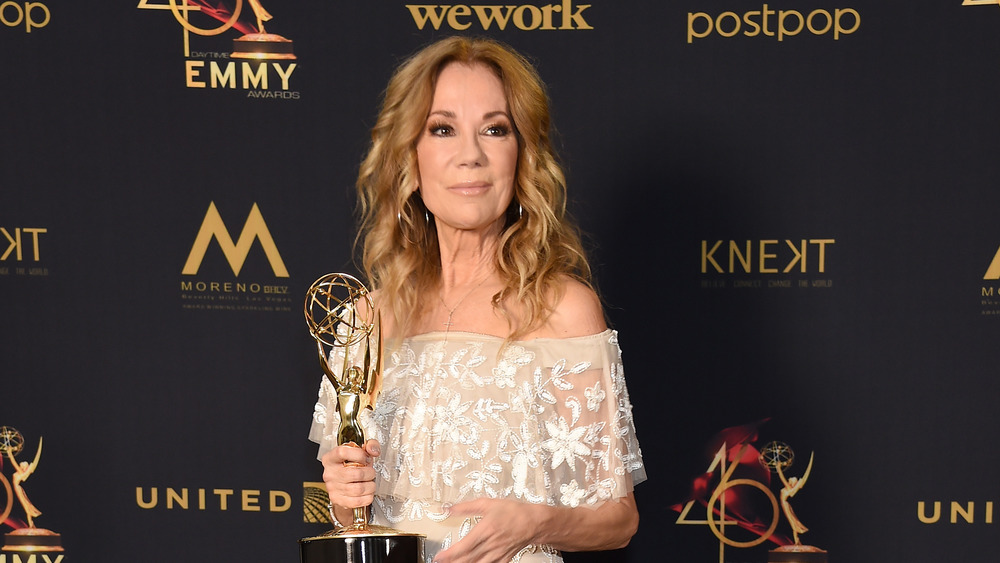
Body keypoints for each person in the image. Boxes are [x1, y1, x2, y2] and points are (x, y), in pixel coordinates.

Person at [309, 36, 646, 563]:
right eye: (442, 129)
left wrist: (537, 522)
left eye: (495, 129)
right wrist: (345, 496)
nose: (471, 155)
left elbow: (619, 519)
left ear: (522, 154)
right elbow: (353, 522)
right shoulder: (367, 317)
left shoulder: (562, 308)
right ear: (410, 158)